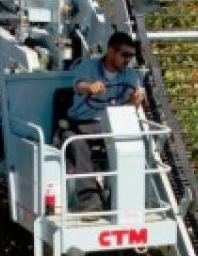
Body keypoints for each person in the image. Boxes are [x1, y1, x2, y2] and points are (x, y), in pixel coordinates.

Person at [58, 32, 147, 213]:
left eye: (131, 56)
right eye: (124, 55)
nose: (128, 60)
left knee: (132, 144)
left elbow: (128, 106)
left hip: (113, 124)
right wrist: (89, 87)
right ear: (111, 52)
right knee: (77, 144)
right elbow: (78, 85)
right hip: (82, 123)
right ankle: (90, 201)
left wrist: (135, 100)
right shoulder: (88, 68)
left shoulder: (130, 76)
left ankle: (124, 200)